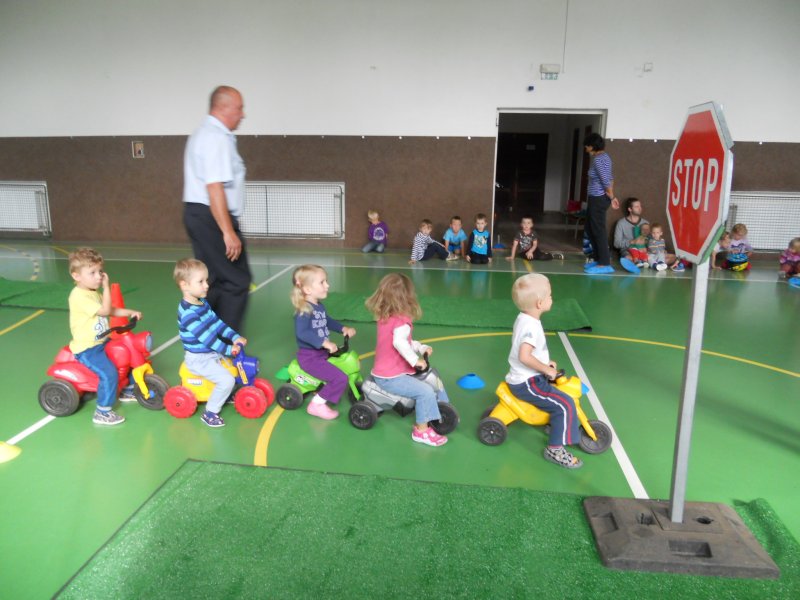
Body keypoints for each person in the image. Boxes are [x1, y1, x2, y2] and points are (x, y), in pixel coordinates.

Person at [183, 85, 252, 333]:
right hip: (211, 217)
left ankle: (205, 337)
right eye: (239, 108)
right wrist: (228, 231)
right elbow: (214, 187)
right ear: (223, 108)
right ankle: (226, 344)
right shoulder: (215, 137)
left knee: (211, 281)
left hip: (201, 215)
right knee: (236, 281)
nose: (243, 114)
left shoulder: (204, 133)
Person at [365, 273, 451, 447]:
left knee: (429, 377)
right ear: (407, 297)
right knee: (425, 391)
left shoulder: (386, 317)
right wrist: (415, 360)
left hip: (388, 371)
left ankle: (439, 408)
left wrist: (421, 347)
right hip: (391, 377)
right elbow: (399, 343)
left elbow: (406, 341)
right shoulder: (401, 322)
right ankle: (421, 431)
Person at [505, 273, 582, 468]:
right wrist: (546, 369)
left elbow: (530, 352)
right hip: (528, 382)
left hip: (528, 377)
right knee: (565, 404)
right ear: (540, 303)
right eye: (550, 296)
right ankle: (555, 449)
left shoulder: (525, 318)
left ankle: (555, 425)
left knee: (557, 396)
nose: (551, 299)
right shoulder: (531, 326)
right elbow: (524, 356)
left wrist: (545, 363)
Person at [67, 248, 142, 426]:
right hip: (87, 348)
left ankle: (127, 389)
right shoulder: (79, 296)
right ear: (76, 276)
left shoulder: (93, 292)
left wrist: (130, 312)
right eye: (92, 273)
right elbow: (105, 310)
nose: (99, 276)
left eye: (100, 271)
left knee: (125, 355)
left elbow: (111, 310)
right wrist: (107, 287)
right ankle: (102, 411)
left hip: (101, 341)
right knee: (109, 373)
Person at [174, 258, 246, 428]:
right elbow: (208, 339)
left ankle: (223, 395)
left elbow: (217, 324)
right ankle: (210, 413)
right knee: (227, 380)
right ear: (184, 285)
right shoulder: (189, 314)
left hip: (210, 354)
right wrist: (229, 349)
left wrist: (234, 336)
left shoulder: (202, 303)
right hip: (199, 359)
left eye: (206, 280)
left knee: (233, 369)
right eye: (200, 282)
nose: (206, 285)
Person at [291, 265, 357, 420]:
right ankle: (317, 405)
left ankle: (321, 390)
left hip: (322, 354)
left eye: (326, 281)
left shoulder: (319, 306)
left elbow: (327, 321)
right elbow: (302, 333)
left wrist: (343, 328)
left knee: (341, 365)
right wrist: (324, 343)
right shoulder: (304, 310)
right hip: (310, 357)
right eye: (322, 282)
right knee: (340, 378)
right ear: (307, 289)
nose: (327, 285)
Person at [583, 133, 620, 274]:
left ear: (592, 146)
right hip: (597, 198)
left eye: (587, 145)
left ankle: (604, 263)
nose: (586, 148)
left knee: (598, 230)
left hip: (598, 199)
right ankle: (598, 259)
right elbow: (611, 178)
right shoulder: (605, 157)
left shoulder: (599, 160)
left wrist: (612, 197)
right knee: (590, 228)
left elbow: (606, 181)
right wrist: (611, 196)